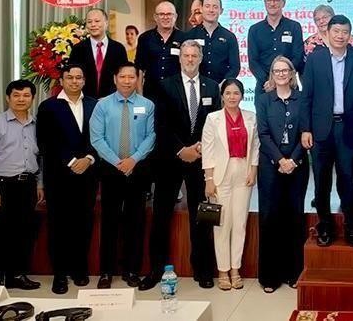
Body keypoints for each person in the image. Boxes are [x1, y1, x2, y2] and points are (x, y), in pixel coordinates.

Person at [140, 40, 221, 291]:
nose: (189, 59)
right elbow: (160, 125)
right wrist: (180, 149)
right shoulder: (164, 86)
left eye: (194, 55)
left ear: (200, 57)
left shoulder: (211, 86)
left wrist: (197, 148)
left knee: (204, 216)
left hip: (201, 159)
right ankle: (155, 270)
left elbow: (215, 123)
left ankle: (204, 270)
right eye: (185, 55)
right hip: (169, 160)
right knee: (161, 216)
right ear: (180, 58)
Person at [301, 15, 353, 247]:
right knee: (321, 181)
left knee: (349, 180)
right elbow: (306, 96)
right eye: (336, 31)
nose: (340, 36)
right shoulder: (315, 60)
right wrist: (305, 128)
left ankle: (352, 228)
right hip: (320, 130)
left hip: (348, 129)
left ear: (350, 35)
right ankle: (324, 227)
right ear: (327, 34)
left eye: (345, 32)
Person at [90, 62, 156, 289]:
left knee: (135, 222)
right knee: (109, 222)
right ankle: (106, 271)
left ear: (138, 79)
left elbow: (151, 136)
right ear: (115, 78)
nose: (127, 81)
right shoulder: (102, 106)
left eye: (132, 77)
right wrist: (118, 162)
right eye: (123, 77)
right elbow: (97, 138)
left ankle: (131, 270)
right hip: (111, 170)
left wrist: (133, 160)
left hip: (137, 170)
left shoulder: (147, 105)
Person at [36, 63, 98, 294]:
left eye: (78, 77)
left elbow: (100, 136)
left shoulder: (94, 105)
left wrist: (89, 158)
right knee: (59, 225)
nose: (74, 81)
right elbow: (45, 142)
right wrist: (72, 161)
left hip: (88, 175)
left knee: (84, 223)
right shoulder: (48, 107)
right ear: (61, 81)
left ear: (84, 81)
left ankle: (79, 269)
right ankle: (59, 274)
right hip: (59, 176)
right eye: (69, 77)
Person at [0, 80, 42, 289]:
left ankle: (18, 275)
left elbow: (41, 158)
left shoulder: (37, 126)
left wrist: (40, 184)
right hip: (2, 186)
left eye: (26, 95)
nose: (21, 99)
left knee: (24, 232)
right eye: (16, 95)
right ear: (8, 98)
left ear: (32, 98)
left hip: (28, 185)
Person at [255, 57, 309, 293]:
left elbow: (306, 132)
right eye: (276, 70)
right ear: (271, 74)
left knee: (294, 218)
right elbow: (263, 135)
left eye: (285, 70)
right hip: (270, 166)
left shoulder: (302, 99)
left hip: (297, 165)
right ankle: (270, 276)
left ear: (292, 72)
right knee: (270, 218)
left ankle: (294, 272)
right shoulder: (264, 100)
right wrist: (280, 160)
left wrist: (293, 160)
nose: (281, 74)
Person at [202, 78, 259, 291]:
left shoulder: (251, 117)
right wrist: (209, 180)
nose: (232, 97)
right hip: (220, 176)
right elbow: (207, 150)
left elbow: (255, 147)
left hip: (243, 174)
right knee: (222, 223)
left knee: (240, 224)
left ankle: (236, 268)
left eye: (236, 93)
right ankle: (223, 270)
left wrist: (253, 170)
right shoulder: (213, 118)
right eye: (228, 93)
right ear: (222, 96)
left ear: (242, 96)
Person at [248, 0, 305, 94]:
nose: (272, 4)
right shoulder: (254, 30)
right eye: (269, 0)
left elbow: (298, 57)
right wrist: (269, 80)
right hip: (264, 87)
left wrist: (283, 78)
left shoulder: (294, 27)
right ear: (264, 2)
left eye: (276, 0)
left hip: (290, 87)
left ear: (283, 2)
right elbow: (253, 62)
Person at [135, 1, 188, 102]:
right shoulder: (145, 38)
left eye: (169, 14)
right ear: (155, 17)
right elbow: (140, 69)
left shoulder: (184, 38)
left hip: (177, 94)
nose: (165, 17)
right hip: (151, 94)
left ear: (175, 16)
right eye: (161, 14)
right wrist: (140, 98)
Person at [69, 8, 128, 98]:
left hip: (112, 100)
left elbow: (123, 76)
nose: (93, 25)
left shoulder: (118, 49)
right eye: (89, 22)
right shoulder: (78, 49)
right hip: (84, 101)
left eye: (97, 21)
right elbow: (72, 76)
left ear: (106, 23)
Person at [188, 0, 241, 82]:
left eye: (215, 7)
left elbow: (235, 67)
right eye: (207, 6)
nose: (211, 10)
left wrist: (224, 84)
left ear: (221, 11)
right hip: (195, 87)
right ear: (201, 9)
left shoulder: (229, 37)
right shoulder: (190, 35)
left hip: (220, 89)